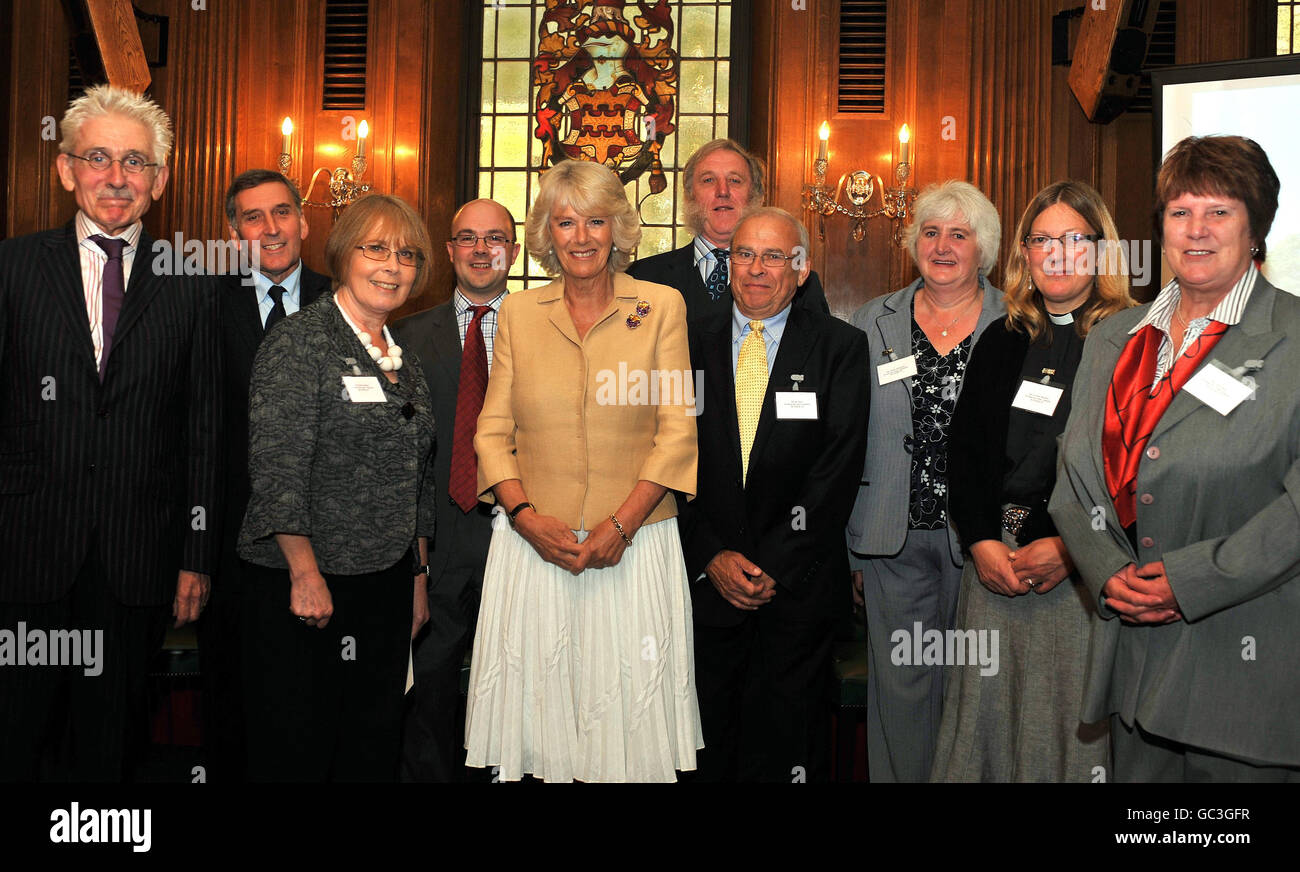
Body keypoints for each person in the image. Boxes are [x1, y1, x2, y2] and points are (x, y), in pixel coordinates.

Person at [1050, 135, 1300, 782]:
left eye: (1219, 211)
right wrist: (1107, 573)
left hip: (1245, 675)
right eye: (1179, 211)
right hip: (1135, 663)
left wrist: (1191, 581)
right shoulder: (1112, 337)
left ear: (1256, 226)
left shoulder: (1295, 339)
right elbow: (1074, 481)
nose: (1196, 230)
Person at [0, 84, 221, 781]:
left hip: (137, 557)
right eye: (98, 158)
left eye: (135, 162)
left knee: (110, 746)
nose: (116, 177)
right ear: (66, 169)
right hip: (24, 550)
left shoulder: (191, 282)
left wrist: (197, 554)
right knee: (15, 735)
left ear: (160, 179)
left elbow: (204, 429)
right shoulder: (11, 269)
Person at [465, 159, 700, 782]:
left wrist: (619, 527)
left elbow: (677, 431)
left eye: (596, 221)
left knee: (627, 733)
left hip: (636, 544)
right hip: (534, 548)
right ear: (547, 233)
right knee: (541, 730)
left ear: (619, 229)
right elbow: (491, 432)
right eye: (565, 222)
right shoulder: (517, 312)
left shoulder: (661, 306)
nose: (582, 237)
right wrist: (523, 517)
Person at [931, 180, 1134, 781]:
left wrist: (1073, 549)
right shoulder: (1003, 336)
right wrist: (978, 540)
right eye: (1042, 240)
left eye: (1074, 239)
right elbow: (962, 454)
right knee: (983, 735)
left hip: (1078, 579)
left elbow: (1135, 469)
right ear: (1025, 252)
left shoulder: (1131, 339)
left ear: (1101, 250)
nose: (1057, 253)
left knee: (1063, 737)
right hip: (993, 569)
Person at [238, 194, 435, 781]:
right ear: (344, 254)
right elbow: (276, 469)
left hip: (386, 584)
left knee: (371, 745)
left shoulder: (403, 357)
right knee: (303, 748)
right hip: (311, 589)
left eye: (406, 255)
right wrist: (304, 574)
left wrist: (417, 579)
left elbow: (417, 479)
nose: (391, 266)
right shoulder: (301, 341)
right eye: (375, 249)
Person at [679, 207, 869, 781]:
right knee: (705, 748)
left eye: (773, 256)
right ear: (728, 262)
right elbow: (666, 457)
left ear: (802, 268)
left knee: (787, 751)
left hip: (797, 590)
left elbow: (837, 469)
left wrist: (772, 564)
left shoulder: (841, 346)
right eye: (744, 254)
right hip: (706, 587)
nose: (756, 269)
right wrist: (712, 555)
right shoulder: (686, 342)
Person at [845, 179, 1005, 783]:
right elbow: (846, 440)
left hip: (984, 542)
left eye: (958, 235)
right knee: (902, 690)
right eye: (931, 232)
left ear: (982, 250)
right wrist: (848, 551)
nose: (942, 246)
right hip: (892, 537)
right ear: (913, 243)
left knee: (977, 686)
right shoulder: (871, 321)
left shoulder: (1014, 324)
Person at [201, 168, 331, 782]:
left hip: (329, 540)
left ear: (304, 222)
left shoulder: (345, 300)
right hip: (231, 539)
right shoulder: (203, 303)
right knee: (237, 699)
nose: (271, 228)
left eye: (282, 213)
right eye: (253, 218)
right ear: (233, 233)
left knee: (316, 697)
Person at [396, 198, 520, 782]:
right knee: (433, 682)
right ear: (449, 252)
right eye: (467, 238)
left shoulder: (540, 327)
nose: (479, 249)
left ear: (513, 252)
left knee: (517, 678)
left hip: (523, 533)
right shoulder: (404, 336)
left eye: (494, 238)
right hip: (435, 534)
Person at [627, 138, 830, 319]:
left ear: (757, 195)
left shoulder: (797, 279)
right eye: (708, 180)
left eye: (735, 180)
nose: (722, 191)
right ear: (690, 196)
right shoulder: (644, 277)